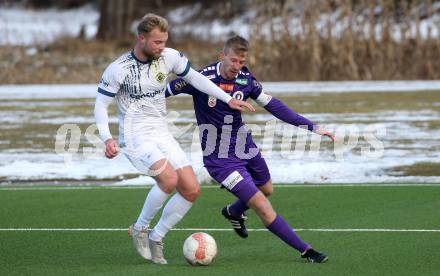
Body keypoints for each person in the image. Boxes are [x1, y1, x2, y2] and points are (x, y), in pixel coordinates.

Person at [94, 15, 254, 265]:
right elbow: (100, 105)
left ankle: (157, 237)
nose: (161, 47)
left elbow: (198, 79)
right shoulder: (119, 69)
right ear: (142, 38)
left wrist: (227, 99)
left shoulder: (169, 57)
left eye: (164, 41)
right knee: (168, 179)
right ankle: (140, 228)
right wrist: (106, 138)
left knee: (191, 189)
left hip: (161, 132)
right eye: (156, 42)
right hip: (134, 136)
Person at [166, 35, 335, 263]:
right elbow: (163, 90)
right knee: (262, 205)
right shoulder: (201, 78)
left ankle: (233, 212)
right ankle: (307, 251)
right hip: (220, 160)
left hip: (245, 146)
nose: (237, 67)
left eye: (242, 62)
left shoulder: (246, 80)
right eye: (233, 60)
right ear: (222, 56)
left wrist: (313, 127)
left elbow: (274, 106)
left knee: (266, 189)